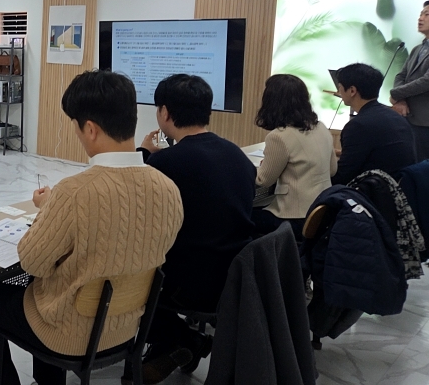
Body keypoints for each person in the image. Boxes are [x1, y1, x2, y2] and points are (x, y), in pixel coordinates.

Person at [0, 70, 184, 385]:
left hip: (70, 334)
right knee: (45, 288)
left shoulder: (74, 193)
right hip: (127, 328)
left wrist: (50, 210)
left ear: (90, 129)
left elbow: (31, 261)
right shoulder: (169, 190)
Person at [138, 74, 255, 383]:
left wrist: (145, 156)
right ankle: (176, 343)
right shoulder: (236, 154)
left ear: (164, 112)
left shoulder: (167, 164)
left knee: (125, 276)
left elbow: (137, 211)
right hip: (233, 274)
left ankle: (183, 339)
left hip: (190, 283)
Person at [252, 74, 337, 238]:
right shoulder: (321, 127)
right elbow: (332, 170)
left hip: (293, 217)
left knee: (239, 217)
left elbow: (263, 180)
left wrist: (244, 166)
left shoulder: (279, 137)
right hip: (321, 212)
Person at [333, 63, 415, 184]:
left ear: (352, 91)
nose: (338, 91)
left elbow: (343, 175)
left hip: (374, 191)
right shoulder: (396, 117)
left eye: (339, 87)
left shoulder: (358, 125)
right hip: (400, 187)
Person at [391, 1, 429, 161]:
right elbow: (401, 76)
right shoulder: (417, 49)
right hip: (408, 118)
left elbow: (426, 81)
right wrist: (400, 100)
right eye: (421, 14)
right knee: (410, 165)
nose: (420, 18)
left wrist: (395, 93)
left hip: (426, 121)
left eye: (427, 14)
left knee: (423, 168)